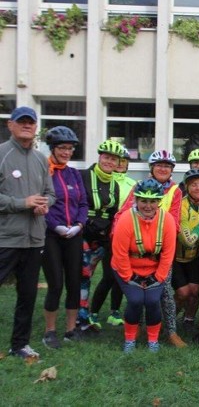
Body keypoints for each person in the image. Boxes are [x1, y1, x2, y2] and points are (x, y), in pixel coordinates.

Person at [0, 106, 56, 360]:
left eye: (30, 123)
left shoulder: (40, 159)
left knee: (28, 293)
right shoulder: (2, 154)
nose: (26, 126)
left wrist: (45, 204)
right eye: (21, 122)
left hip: (35, 239)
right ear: (10, 125)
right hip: (6, 237)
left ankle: (19, 344)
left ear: (35, 128)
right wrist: (23, 203)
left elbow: (51, 193)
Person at [116, 149, 186, 347]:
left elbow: (175, 219)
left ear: (171, 170)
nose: (162, 169)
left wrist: (159, 229)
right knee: (136, 292)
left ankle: (171, 332)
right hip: (136, 245)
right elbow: (124, 212)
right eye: (159, 165)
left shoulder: (175, 190)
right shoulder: (139, 187)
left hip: (161, 247)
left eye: (167, 166)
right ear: (152, 168)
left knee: (164, 293)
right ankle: (135, 329)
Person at [111, 179, 177, 353]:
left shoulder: (167, 220)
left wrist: (157, 277)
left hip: (154, 269)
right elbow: (119, 253)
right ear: (136, 200)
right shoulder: (126, 219)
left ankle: (153, 341)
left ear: (159, 201)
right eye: (143, 201)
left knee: (153, 300)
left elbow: (168, 253)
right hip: (128, 268)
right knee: (135, 300)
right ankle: (130, 339)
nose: (148, 206)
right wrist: (130, 277)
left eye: (153, 201)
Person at [42, 126, 88, 348]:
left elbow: (83, 203)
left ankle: (71, 329)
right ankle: (50, 331)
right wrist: (56, 226)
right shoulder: (44, 171)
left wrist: (79, 224)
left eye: (70, 149)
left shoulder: (74, 173)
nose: (67, 152)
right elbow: (43, 204)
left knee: (74, 281)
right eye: (62, 148)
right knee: (56, 283)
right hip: (51, 235)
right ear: (53, 148)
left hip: (74, 234)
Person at [79, 139, 123, 331]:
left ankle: (95, 312)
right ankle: (82, 316)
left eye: (114, 159)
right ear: (100, 157)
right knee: (84, 275)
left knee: (112, 275)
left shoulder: (115, 184)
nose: (109, 162)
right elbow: (78, 204)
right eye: (106, 157)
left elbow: (113, 213)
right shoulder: (83, 176)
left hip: (104, 236)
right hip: (84, 234)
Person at [173, 169, 199, 334]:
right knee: (183, 293)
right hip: (177, 257)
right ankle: (170, 318)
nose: (198, 188)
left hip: (196, 258)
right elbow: (187, 240)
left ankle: (189, 320)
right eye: (194, 185)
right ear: (187, 187)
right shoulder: (181, 205)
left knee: (195, 291)